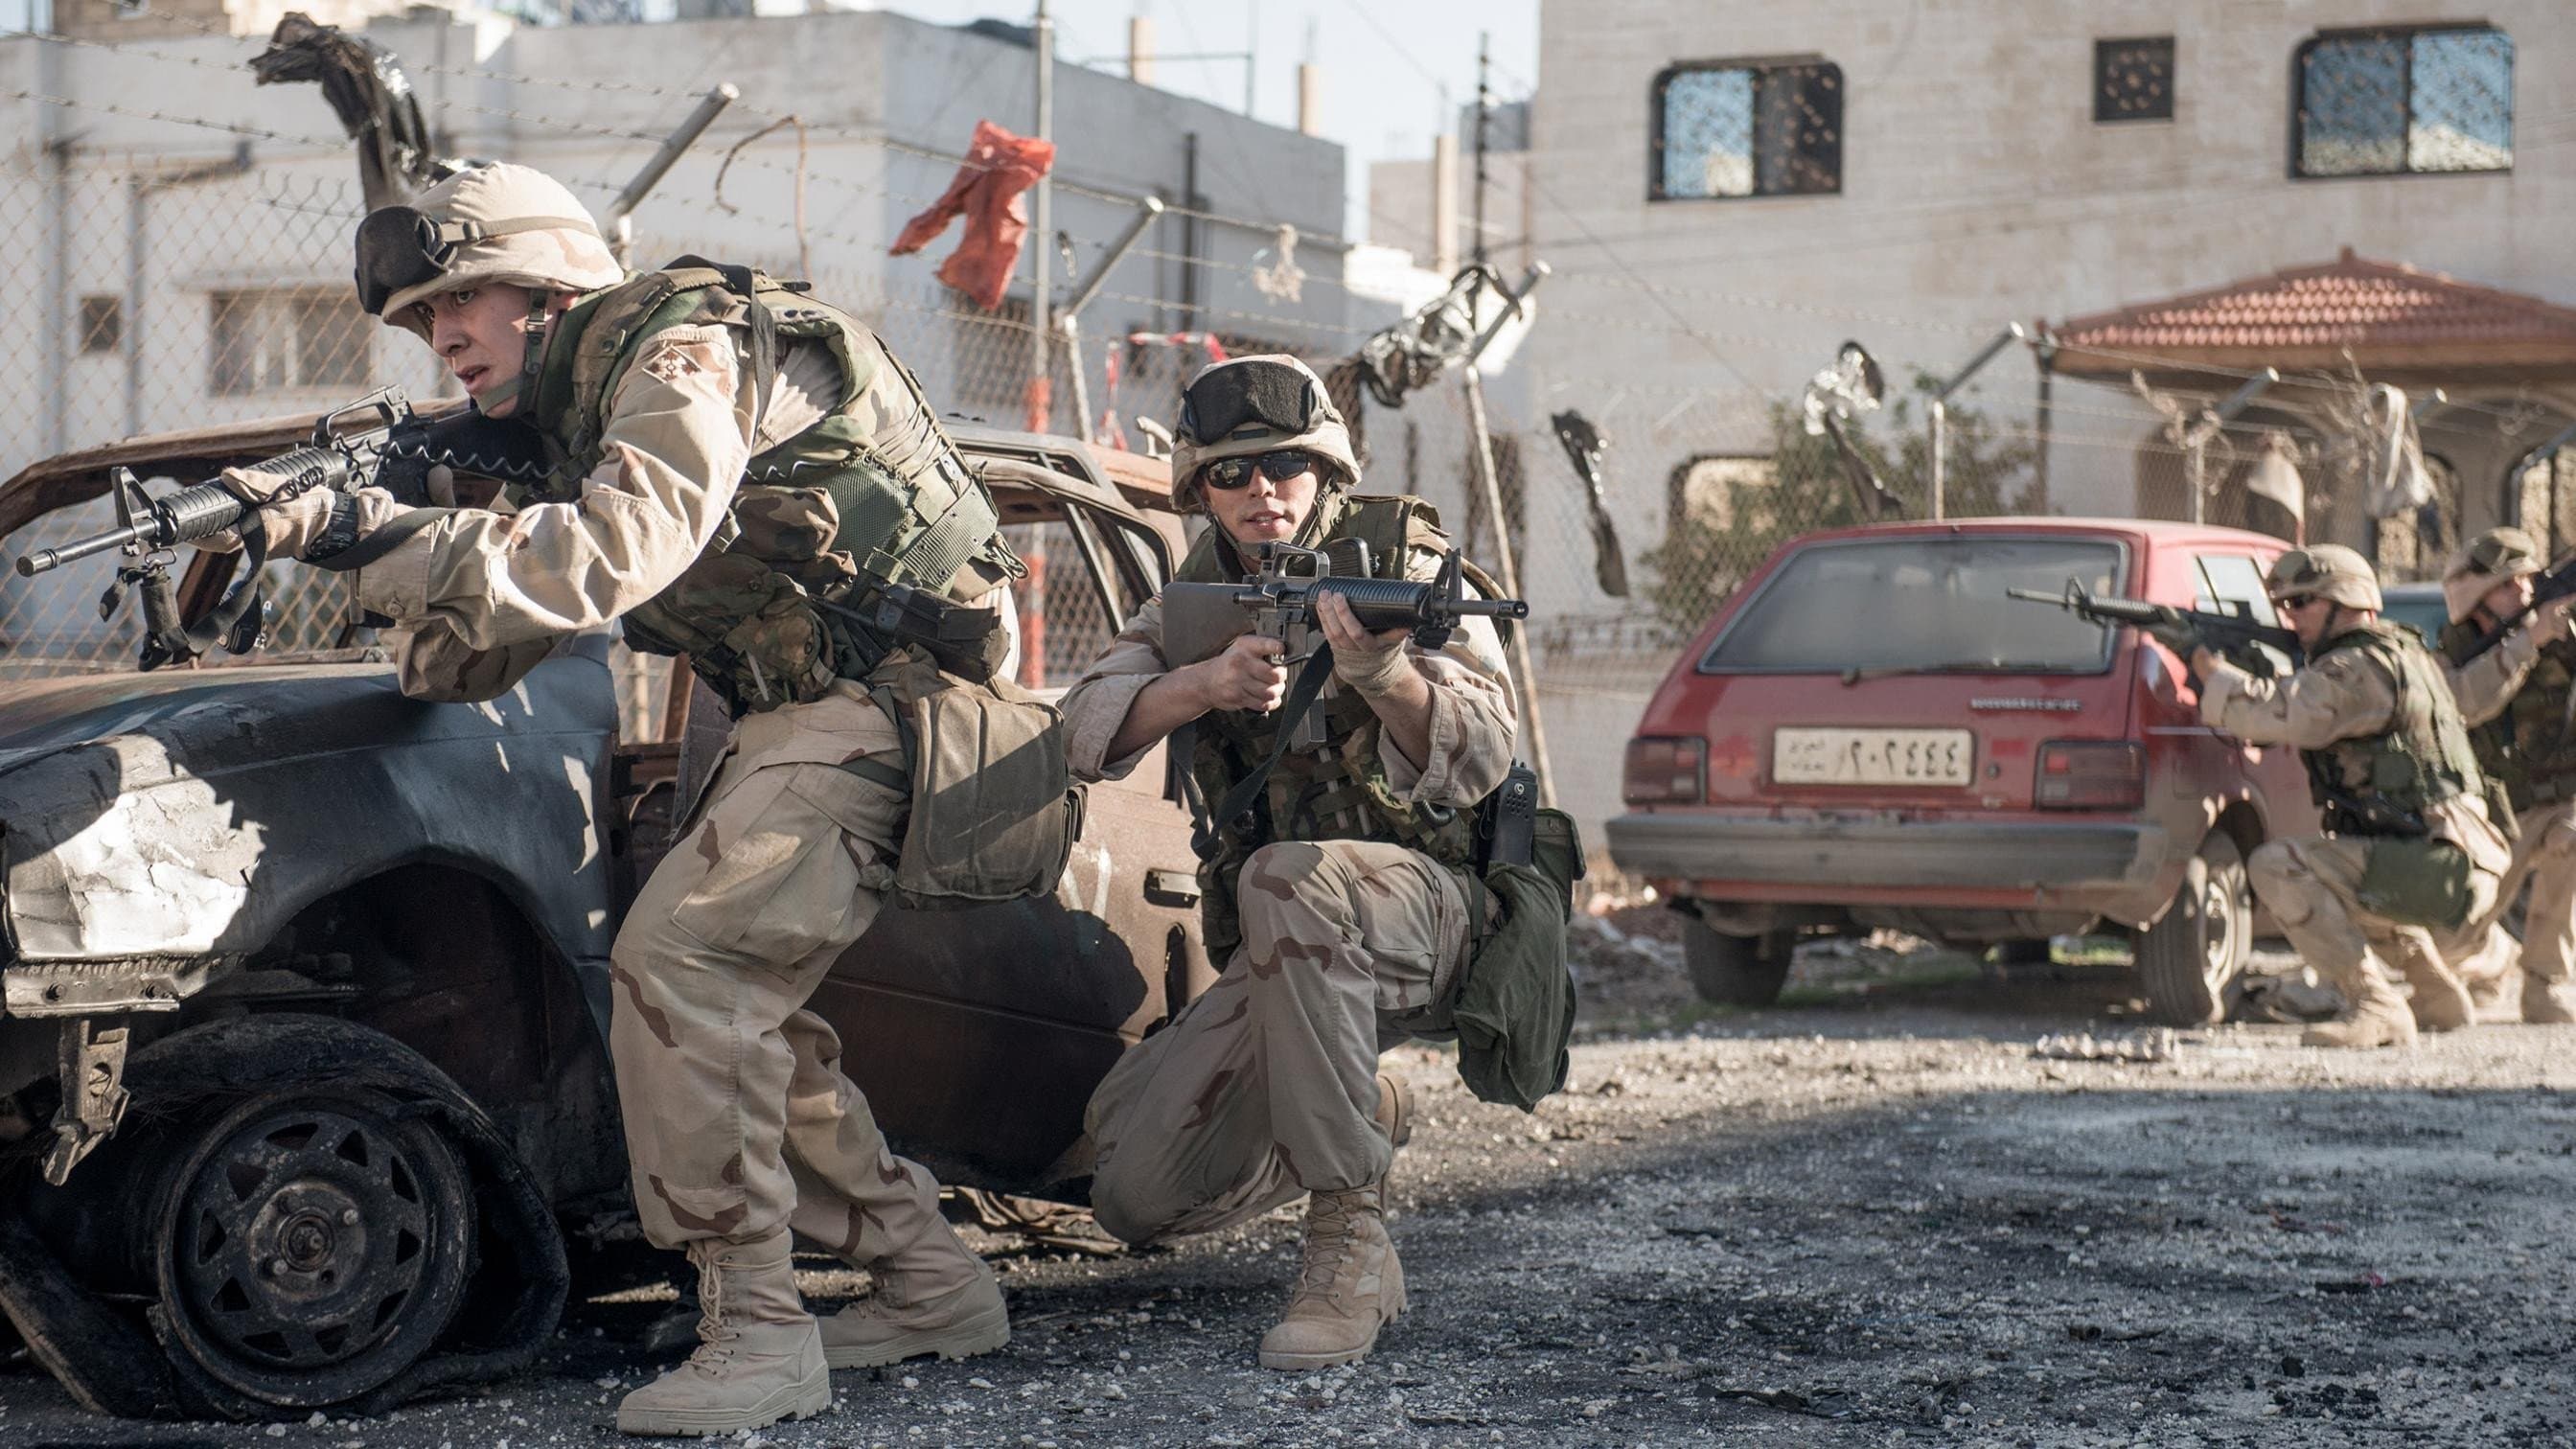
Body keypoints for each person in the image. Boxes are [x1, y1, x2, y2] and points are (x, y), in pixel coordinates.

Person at [206, 162, 1036, 1436]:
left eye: (458, 303)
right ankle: (931, 1282)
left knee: (684, 967)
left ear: (545, 287)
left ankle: (758, 1332)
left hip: (895, 705)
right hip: (801, 713)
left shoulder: (679, 353)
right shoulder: (571, 432)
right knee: (737, 1005)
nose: (444, 338)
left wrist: (355, 532)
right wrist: (424, 515)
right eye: (425, 321)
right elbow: (454, 663)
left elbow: (616, 551)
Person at [1058, 355, 1538, 1370]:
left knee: (1287, 874)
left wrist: (1384, 673)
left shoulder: (1400, 561)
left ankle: (1348, 1243)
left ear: (1324, 471)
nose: (1260, 490)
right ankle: (1361, 1107)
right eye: (1232, 474)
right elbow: (1082, 730)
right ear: (1199, 490)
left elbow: (1487, 755)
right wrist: (1202, 684)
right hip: (1293, 946)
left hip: (1438, 914)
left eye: (1284, 465)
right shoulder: (1195, 595)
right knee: (1131, 1186)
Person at [2188, 545, 2512, 1047]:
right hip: (2452, 858)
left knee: (2280, 867)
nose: (2289, 617)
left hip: (2444, 868)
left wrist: (2214, 676)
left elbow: (2288, 713)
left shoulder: (2360, 666)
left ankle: (2376, 1006)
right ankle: (2433, 996)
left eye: (2302, 604)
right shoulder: (2398, 652)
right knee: (2345, 869)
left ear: (2345, 600)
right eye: (2285, 606)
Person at [2437, 529, 2576, 1024]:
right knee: (2457, 934)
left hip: (2560, 796)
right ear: (2477, 596)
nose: (2525, 590)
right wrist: (2528, 642)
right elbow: (2463, 705)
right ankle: (2493, 958)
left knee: (2572, 841)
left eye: (2529, 580)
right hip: (2492, 808)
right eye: (2509, 583)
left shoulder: (2561, 626)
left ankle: (2545, 983)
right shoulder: (2452, 648)